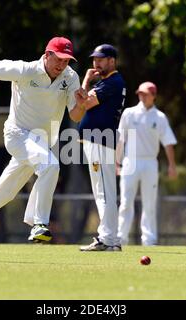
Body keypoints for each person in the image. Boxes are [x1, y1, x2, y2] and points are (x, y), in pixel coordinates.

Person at [0, 36, 89, 257]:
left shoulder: (71, 78)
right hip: (17, 135)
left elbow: (75, 114)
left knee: (4, 193)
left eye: (67, 60)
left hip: (41, 143)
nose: (62, 65)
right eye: (58, 59)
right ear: (47, 54)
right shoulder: (26, 70)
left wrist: (81, 106)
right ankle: (40, 224)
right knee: (51, 166)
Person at [116, 81, 177, 246]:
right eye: (140, 94)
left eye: (145, 94)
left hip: (150, 163)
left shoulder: (160, 117)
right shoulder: (129, 113)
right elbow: (121, 139)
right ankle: (121, 237)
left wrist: (172, 165)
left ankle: (149, 239)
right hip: (130, 162)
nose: (142, 96)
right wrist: (117, 162)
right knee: (125, 202)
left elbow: (168, 142)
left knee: (149, 202)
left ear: (153, 96)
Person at [78, 44, 126, 251]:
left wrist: (87, 80)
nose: (96, 63)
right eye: (94, 59)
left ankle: (107, 239)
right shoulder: (109, 82)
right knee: (104, 191)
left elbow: (84, 103)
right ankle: (112, 239)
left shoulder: (112, 81)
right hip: (98, 140)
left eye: (101, 59)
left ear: (112, 61)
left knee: (103, 192)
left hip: (100, 140)